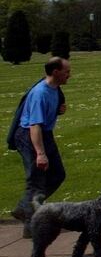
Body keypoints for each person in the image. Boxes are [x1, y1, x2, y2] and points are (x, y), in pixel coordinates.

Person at [11, 57, 70, 237]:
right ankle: (32, 225)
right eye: (66, 71)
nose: (70, 75)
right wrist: (40, 154)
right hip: (30, 136)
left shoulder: (54, 89)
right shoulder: (40, 93)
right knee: (36, 180)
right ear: (55, 72)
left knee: (58, 174)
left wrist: (59, 109)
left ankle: (25, 208)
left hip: (45, 134)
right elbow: (34, 125)